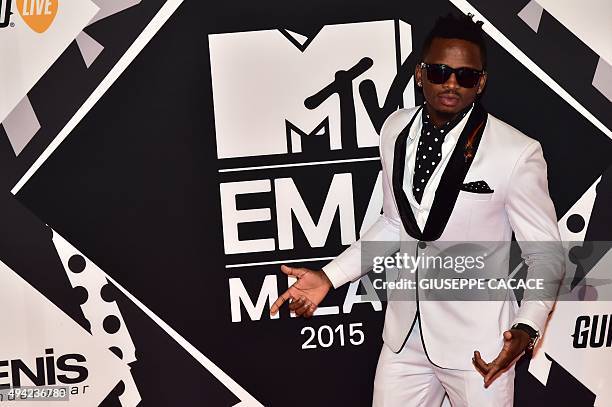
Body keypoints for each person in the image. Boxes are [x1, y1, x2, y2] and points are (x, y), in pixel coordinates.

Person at [270, 13, 563, 406]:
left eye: (466, 76)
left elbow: (545, 255)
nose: (452, 84)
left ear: (482, 83)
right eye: (441, 72)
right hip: (403, 339)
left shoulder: (516, 152)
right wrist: (329, 276)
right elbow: (396, 224)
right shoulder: (394, 129)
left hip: (480, 346)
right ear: (420, 74)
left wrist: (526, 329)